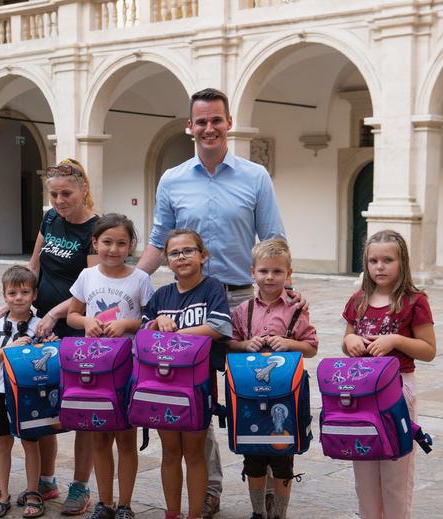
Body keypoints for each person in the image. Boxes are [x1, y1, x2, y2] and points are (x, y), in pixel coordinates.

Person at [137, 88, 287, 518]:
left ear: (229, 123)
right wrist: (132, 282)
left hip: (242, 297)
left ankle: (269, 487)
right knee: (194, 394)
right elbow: (157, 241)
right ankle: (210, 490)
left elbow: (273, 239)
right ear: (190, 126)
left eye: (216, 120)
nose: (208, 128)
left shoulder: (255, 175)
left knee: (259, 395)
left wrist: (282, 290)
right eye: (200, 121)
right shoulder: (172, 179)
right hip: (191, 302)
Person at [341, 230, 436, 519]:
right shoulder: (358, 299)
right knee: (365, 464)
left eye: (387, 260)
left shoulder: (414, 301)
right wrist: (350, 342)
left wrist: (395, 341)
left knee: (396, 468)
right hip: (361, 392)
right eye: (373, 260)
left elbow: (428, 349)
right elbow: (347, 340)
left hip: (397, 392)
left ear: (402, 262)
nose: (379, 266)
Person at [66, 214, 154, 519]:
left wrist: (127, 324)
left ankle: (124, 505)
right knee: (99, 436)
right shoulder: (88, 276)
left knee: (126, 438)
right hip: (94, 370)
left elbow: (150, 322)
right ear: (95, 243)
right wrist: (87, 321)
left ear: (131, 246)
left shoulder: (140, 279)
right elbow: (72, 315)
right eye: (107, 242)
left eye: (121, 243)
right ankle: (103, 502)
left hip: (128, 368)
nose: (113, 249)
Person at [141, 229, 232, 519]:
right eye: (174, 253)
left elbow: (218, 327)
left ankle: (194, 514)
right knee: (169, 452)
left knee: (194, 452)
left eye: (188, 250)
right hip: (162, 386)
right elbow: (144, 333)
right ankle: (172, 512)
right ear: (167, 260)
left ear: (203, 255)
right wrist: (157, 321)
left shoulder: (212, 288)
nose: (181, 257)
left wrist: (176, 333)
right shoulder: (161, 295)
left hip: (198, 385)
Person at [28, 158, 100, 515]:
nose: (59, 200)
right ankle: (46, 479)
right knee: (42, 402)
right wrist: (19, 303)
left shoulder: (95, 229)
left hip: (75, 326)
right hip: (41, 325)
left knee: (80, 408)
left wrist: (57, 313)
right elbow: (35, 265)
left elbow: (90, 288)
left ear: (84, 189)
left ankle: (81, 484)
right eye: (54, 194)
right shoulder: (50, 219)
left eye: (66, 193)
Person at [227, 239, 318, 519]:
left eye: (277, 272)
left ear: (288, 274)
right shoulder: (243, 311)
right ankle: (257, 512)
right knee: (253, 456)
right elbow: (229, 343)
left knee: (282, 458)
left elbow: (312, 347)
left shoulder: (296, 309)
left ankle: (280, 513)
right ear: (252, 272)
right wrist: (245, 345)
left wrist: (288, 343)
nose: (270, 277)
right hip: (250, 397)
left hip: (284, 397)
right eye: (264, 271)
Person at [0, 265, 57, 518]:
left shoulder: (40, 324)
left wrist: (50, 345)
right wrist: (10, 349)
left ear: (34, 294)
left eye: (25, 292)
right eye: (12, 293)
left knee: (30, 441)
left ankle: (34, 491)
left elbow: (49, 357)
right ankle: (2, 493)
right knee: (3, 442)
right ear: (5, 295)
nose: (18, 298)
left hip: (29, 392)